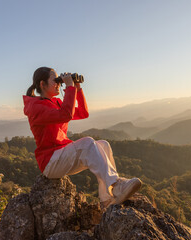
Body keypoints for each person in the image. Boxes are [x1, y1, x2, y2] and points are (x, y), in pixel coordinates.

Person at [23, 67, 142, 209]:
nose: (59, 84)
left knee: (103, 144)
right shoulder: (36, 107)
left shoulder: (55, 103)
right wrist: (69, 87)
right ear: (42, 84)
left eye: (59, 81)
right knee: (87, 142)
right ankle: (116, 186)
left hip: (63, 156)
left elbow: (83, 113)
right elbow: (66, 114)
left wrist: (77, 89)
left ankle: (107, 199)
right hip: (51, 163)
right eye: (55, 80)